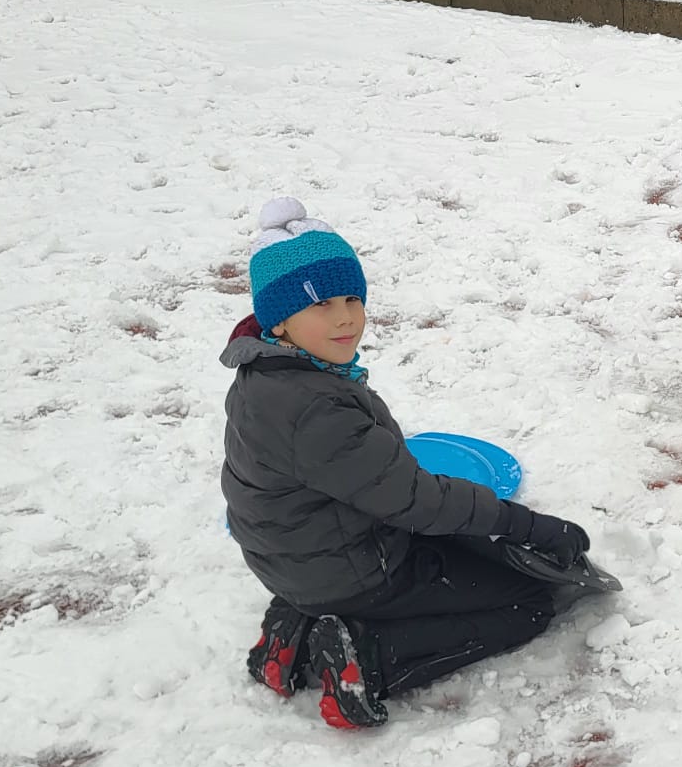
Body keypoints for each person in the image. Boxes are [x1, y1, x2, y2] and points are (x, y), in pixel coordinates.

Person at [222, 197, 593, 730]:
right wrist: (526, 525)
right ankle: (367, 657)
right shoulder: (315, 408)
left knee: (463, 548)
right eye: (321, 304)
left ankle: (297, 625)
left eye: (352, 298)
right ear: (278, 321)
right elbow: (415, 500)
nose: (346, 317)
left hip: (296, 560)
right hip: (353, 571)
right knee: (527, 603)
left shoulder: (267, 374)